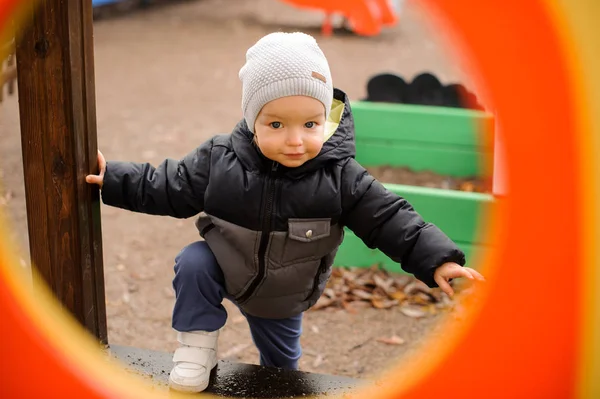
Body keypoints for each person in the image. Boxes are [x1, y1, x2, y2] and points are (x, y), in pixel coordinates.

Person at [86, 31, 484, 393]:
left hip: (284, 292)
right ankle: (196, 347)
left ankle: (281, 379)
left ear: (325, 119)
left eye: (310, 124)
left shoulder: (340, 176)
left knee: (281, 373)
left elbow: (391, 218)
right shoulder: (220, 159)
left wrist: (438, 260)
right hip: (227, 262)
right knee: (193, 262)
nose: (295, 141)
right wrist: (114, 178)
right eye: (276, 124)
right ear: (252, 120)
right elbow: (167, 185)